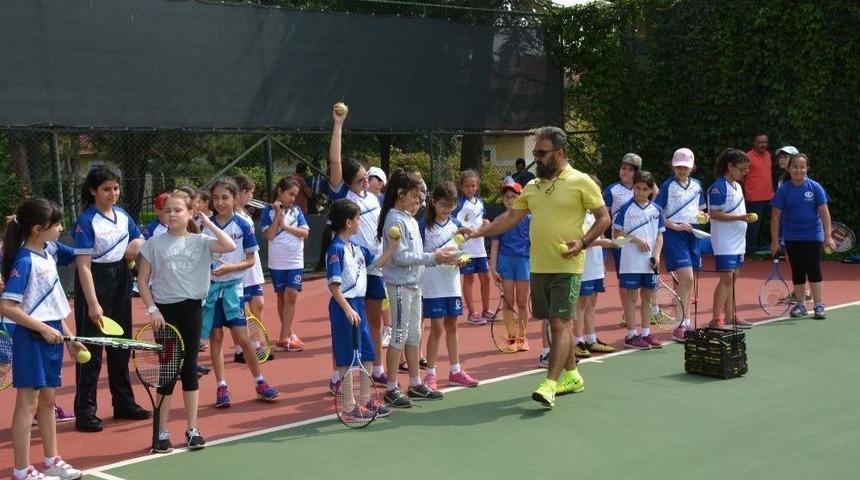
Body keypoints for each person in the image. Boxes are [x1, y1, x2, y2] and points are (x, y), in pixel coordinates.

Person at [463, 126, 610, 409]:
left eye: (541, 153)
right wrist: (479, 232)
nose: (536, 158)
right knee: (555, 324)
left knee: (560, 323)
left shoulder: (581, 182)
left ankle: (550, 383)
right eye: (535, 153)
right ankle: (573, 375)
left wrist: (583, 242)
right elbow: (510, 218)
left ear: (560, 153)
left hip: (568, 267)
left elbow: (603, 218)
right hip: (539, 267)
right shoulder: (532, 187)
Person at [137, 190, 236, 453]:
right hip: (165, 314)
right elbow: (142, 280)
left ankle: (192, 429)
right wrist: (152, 309)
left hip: (192, 310)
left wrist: (209, 222)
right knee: (168, 371)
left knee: (189, 369)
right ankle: (161, 432)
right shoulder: (153, 243)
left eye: (178, 210)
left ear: (190, 213)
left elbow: (230, 246)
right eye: (167, 210)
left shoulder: (201, 241)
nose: (171, 214)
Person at [3, 199, 86, 480]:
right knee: (28, 404)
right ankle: (21, 470)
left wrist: (69, 338)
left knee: (48, 401)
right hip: (30, 337)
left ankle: (52, 461)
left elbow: (50, 305)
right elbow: (7, 307)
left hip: (50, 334)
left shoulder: (47, 254)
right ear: (38, 229)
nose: (61, 228)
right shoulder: (25, 261)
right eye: (57, 224)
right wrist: (42, 329)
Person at [72, 165, 150, 433]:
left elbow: (139, 237)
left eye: (116, 188)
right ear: (93, 191)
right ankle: (85, 412)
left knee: (121, 345)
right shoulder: (85, 221)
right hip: (95, 281)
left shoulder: (123, 215)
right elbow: (83, 267)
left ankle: (124, 403)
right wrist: (93, 303)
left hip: (121, 279)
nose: (113, 193)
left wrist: (136, 244)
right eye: (106, 189)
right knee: (91, 350)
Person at [377, 169, 459, 408]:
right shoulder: (394, 219)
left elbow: (415, 254)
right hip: (400, 286)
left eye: (420, 196)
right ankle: (391, 387)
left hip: (414, 286)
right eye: (414, 195)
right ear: (400, 194)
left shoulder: (410, 220)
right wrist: (434, 257)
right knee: (399, 336)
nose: (418, 200)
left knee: (414, 335)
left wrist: (436, 255)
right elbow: (401, 257)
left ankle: (415, 383)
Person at [203, 178, 279, 408]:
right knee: (216, 338)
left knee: (243, 338)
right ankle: (221, 387)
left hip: (233, 289)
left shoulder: (243, 225)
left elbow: (250, 260)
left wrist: (230, 268)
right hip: (211, 291)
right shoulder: (205, 225)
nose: (220, 202)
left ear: (235, 199)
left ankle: (260, 382)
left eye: (225, 197)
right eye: (216, 198)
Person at [329, 105, 388, 385]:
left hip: (373, 266)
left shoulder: (373, 198)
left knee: (372, 320)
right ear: (349, 182)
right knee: (346, 324)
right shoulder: (344, 196)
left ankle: (376, 368)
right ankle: (337, 375)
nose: (367, 180)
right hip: (351, 266)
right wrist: (338, 124)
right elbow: (335, 161)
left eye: (367, 176)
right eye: (361, 178)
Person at [325, 199, 396, 419]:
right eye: (357, 219)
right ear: (348, 222)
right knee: (346, 356)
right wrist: (347, 309)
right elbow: (333, 286)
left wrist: (393, 247)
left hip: (358, 305)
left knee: (368, 353)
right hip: (344, 307)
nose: (360, 222)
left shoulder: (356, 248)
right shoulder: (336, 249)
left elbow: (377, 263)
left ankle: (366, 400)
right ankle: (348, 405)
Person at [420, 181, 479, 392]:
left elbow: (458, 250)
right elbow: (419, 256)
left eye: (451, 205)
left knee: (452, 325)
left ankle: (455, 371)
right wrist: (436, 257)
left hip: (452, 283)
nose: (447, 209)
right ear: (433, 202)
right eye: (443, 204)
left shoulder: (455, 225)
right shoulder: (423, 226)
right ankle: (430, 374)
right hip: (432, 284)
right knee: (436, 328)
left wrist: (462, 259)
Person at [770, 153, 835, 319]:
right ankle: (800, 305)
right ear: (789, 168)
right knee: (797, 270)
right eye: (795, 167)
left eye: (802, 167)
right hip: (791, 236)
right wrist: (775, 241)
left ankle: (818, 304)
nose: (798, 170)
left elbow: (824, 213)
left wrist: (828, 236)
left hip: (813, 235)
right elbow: (775, 216)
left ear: (807, 168)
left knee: (813, 268)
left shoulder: (815, 187)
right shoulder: (784, 190)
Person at [654, 148, 707, 341]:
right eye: (678, 167)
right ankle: (680, 323)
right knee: (687, 278)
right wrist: (675, 226)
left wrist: (703, 218)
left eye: (685, 167)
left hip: (693, 234)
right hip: (674, 235)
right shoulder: (668, 186)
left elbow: (701, 211)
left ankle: (685, 322)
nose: (682, 170)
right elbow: (657, 213)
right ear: (673, 167)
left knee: (686, 282)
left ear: (692, 167)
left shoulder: (697, 185)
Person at [614, 170, 665, 350]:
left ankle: (645, 333)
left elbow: (659, 236)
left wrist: (657, 255)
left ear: (651, 190)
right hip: (630, 262)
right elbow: (617, 234)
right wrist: (635, 239)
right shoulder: (626, 208)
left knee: (647, 297)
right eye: (637, 188)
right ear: (633, 188)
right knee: (631, 297)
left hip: (649, 262)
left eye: (645, 189)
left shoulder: (657, 210)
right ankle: (631, 334)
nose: (641, 192)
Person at [708, 149, 756, 328]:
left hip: (738, 239)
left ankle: (730, 316)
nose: (744, 173)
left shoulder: (737, 186)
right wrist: (740, 218)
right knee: (727, 278)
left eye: (746, 169)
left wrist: (742, 218)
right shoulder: (718, 187)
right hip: (724, 240)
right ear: (730, 166)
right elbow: (714, 214)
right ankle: (716, 318)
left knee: (733, 277)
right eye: (742, 169)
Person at [262, 177, 310, 351]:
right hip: (277, 262)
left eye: (295, 195)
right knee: (282, 296)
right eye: (290, 194)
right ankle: (288, 334)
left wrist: (286, 226)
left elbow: (305, 233)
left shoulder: (297, 211)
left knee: (292, 295)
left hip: (295, 260)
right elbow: (269, 235)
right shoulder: (268, 211)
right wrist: (278, 215)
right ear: (280, 191)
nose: (293, 198)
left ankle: (283, 338)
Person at [233, 173, 275, 358]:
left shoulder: (244, 212)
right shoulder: (230, 215)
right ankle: (241, 349)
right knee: (240, 309)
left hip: (253, 266)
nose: (252, 196)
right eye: (250, 192)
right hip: (239, 266)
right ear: (241, 192)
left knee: (258, 303)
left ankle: (257, 344)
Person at [488, 179, 532, 355]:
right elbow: (495, 247)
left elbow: (535, 244)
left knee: (522, 302)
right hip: (505, 263)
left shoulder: (529, 219)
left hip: (523, 262)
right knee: (508, 302)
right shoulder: (500, 220)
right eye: (506, 197)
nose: (509, 199)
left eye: (513, 196)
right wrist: (493, 269)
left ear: (520, 198)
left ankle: (523, 337)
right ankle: (512, 338)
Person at [574, 178, 616, 358]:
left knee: (591, 303)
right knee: (581, 304)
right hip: (582, 265)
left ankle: (591, 339)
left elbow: (601, 237)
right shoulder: (578, 214)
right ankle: (577, 341)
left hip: (596, 265)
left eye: (597, 191)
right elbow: (578, 241)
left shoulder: (597, 214)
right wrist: (603, 243)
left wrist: (602, 263)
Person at [603, 153, 641, 326]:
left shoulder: (643, 188)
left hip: (641, 239)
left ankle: (641, 310)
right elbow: (604, 215)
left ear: (637, 172)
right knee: (624, 278)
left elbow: (656, 198)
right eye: (623, 168)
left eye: (630, 170)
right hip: (620, 239)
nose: (625, 172)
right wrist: (603, 236)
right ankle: (627, 313)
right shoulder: (611, 190)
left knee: (639, 277)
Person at [453, 170, 492, 325]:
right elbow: (455, 223)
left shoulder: (480, 203)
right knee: (468, 279)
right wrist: (464, 231)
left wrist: (486, 222)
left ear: (477, 186)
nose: (470, 189)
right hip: (465, 249)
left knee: (485, 278)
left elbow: (480, 220)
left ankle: (486, 310)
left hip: (480, 248)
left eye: (473, 186)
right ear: (461, 187)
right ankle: (472, 313)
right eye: (467, 186)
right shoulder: (459, 204)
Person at [743, 133, 773, 257]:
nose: (763, 145)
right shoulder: (747, 157)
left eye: (765, 142)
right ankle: (750, 251)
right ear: (754, 143)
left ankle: (773, 247)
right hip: (754, 198)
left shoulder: (768, 155)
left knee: (774, 223)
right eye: (760, 142)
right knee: (753, 226)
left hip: (770, 197)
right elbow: (741, 176)